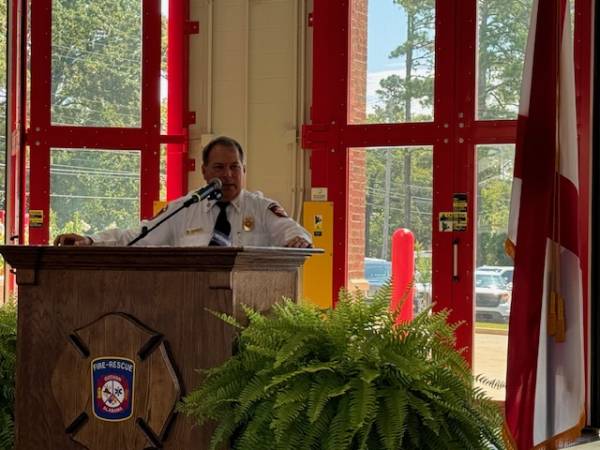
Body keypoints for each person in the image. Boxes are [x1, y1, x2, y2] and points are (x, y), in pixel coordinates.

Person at [54, 136, 312, 248]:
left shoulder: (261, 208)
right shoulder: (186, 208)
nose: (228, 175)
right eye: (219, 167)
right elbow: (136, 237)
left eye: (235, 167)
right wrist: (90, 240)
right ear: (205, 172)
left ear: (244, 170)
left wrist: (298, 239)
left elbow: (291, 231)